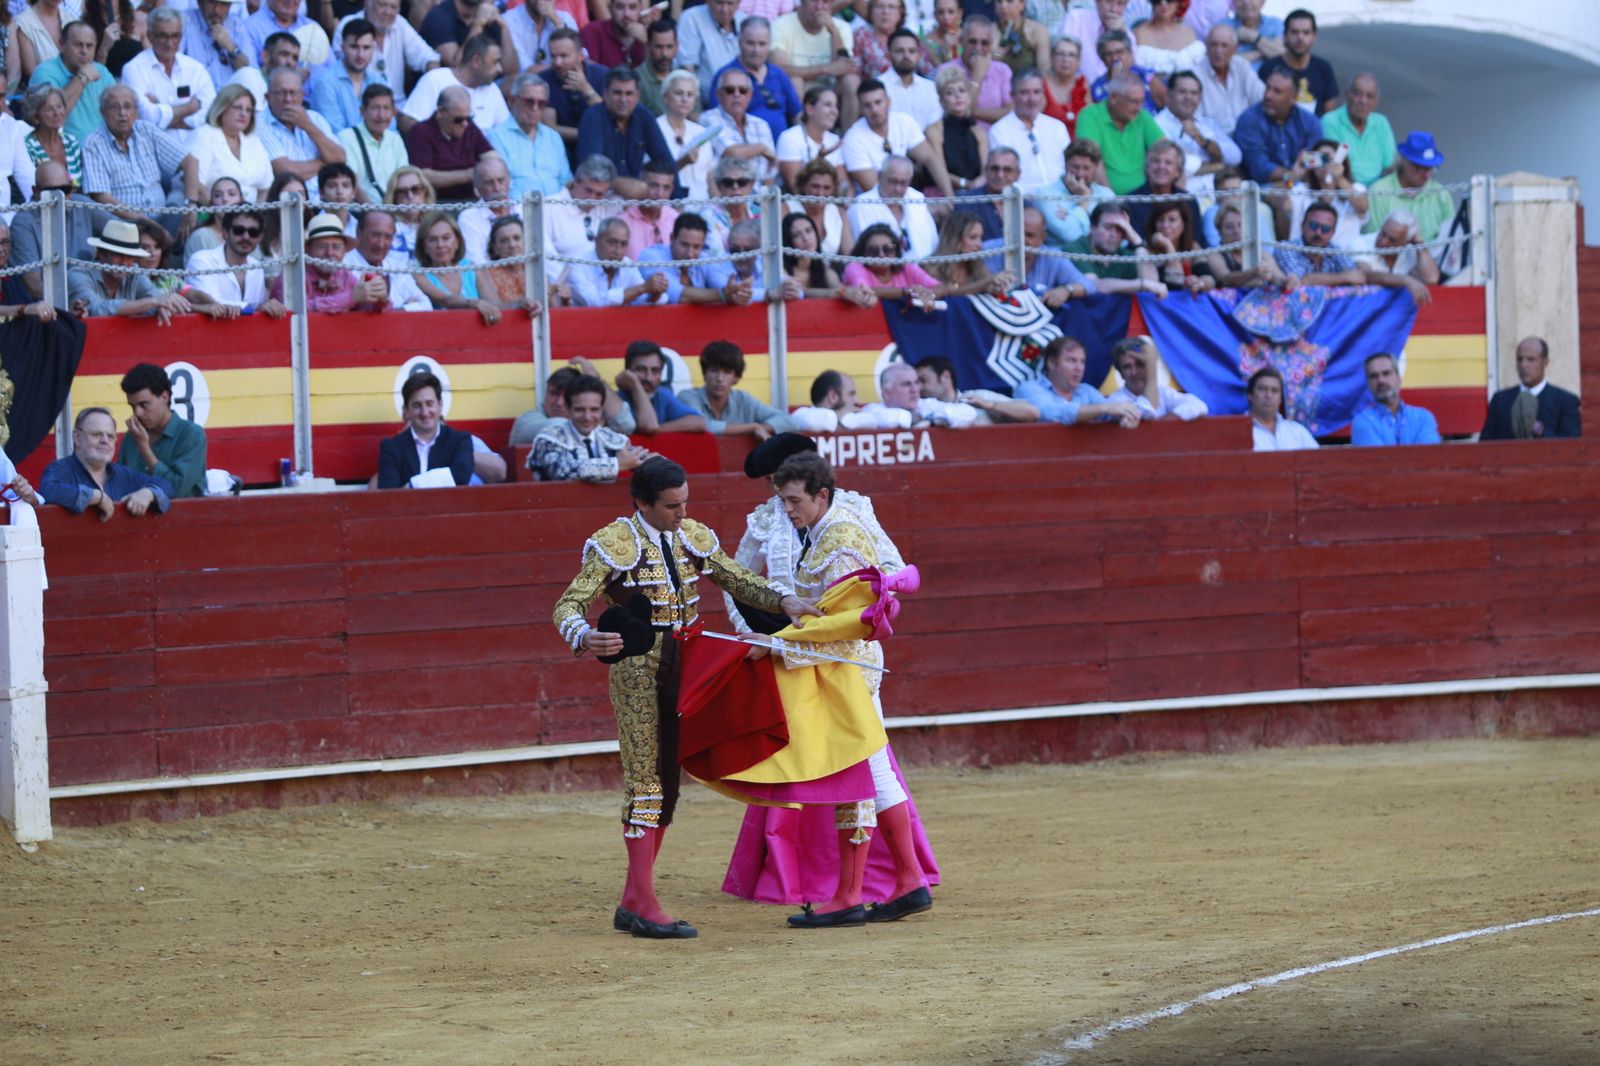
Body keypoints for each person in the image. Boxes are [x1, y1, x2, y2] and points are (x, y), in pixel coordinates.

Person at [550, 456, 813, 939]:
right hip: (637, 670)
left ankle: (635, 899)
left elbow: (736, 577)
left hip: (685, 664)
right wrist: (584, 637)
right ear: (643, 504)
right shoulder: (614, 544)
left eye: (686, 501)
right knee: (646, 782)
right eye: (672, 505)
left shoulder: (691, 533)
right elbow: (568, 603)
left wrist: (782, 601)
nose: (682, 512)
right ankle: (645, 903)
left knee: (667, 781)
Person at [723, 447, 935, 927]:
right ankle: (904, 881)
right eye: (783, 500)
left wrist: (779, 643)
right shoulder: (823, 529)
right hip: (842, 667)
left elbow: (848, 622)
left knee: (860, 773)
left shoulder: (838, 539)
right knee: (873, 771)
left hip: (847, 669)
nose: (788, 510)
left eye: (795, 500)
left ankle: (854, 893)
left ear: (822, 494)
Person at [81, 85, 201, 218]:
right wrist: (147, 224)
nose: (122, 113)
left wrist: (191, 203)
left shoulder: (147, 130)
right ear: (103, 112)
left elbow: (189, 161)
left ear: (136, 112)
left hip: (161, 215)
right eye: (115, 107)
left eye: (127, 106)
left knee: (185, 216)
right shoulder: (93, 144)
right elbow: (102, 198)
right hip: (123, 223)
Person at [39, 407, 173, 518]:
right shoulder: (59, 469)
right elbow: (47, 492)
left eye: (110, 436)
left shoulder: (124, 474)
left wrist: (149, 493)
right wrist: (96, 496)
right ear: (77, 437)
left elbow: (168, 486)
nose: (105, 440)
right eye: (97, 434)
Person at [12, 159, 109, 299]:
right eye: (51, 191)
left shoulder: (82, 204)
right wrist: (68, 306)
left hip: (90, 296)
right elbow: (33, 284)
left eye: (65, 190)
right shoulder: (23, 223)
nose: (60, 197)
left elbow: (121, 229)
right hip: (47, 308)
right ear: (35, 191)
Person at [119, 6, 216, 146]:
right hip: (155, 151)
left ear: (181, 37)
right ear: (150, 36)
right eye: (163, 36)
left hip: (198, 148)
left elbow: (211, 115)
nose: (170, 43)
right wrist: (189, 108)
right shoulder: (133, 69)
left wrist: (161, 110)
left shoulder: (195, 68)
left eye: (175, 36)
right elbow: (145, 119)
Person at [69, 218, 197, 322]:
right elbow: (96, 310)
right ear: (101, 254)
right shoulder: (78, 274)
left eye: (130, 256)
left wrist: (161, 306)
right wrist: (154, 302)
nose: (125, 263)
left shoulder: (134, 271)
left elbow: (155, 297)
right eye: (119, 255)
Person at [841, 77, 951, 196]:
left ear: (888, 102)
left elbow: (930, 159)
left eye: (878, 102)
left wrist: (950, 199)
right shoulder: (852, 138)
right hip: (871, 203)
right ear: (861, 109)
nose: (874, 110)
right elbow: (874, 189)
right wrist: (918, 205)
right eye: (867, 105)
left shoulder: (904, 121)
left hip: (904, 193)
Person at [530, 373, 649, 481]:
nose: (587, 417)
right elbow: (563, 471)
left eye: (594, 410)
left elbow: (635, 457)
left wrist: (653, 462)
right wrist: (616, 465)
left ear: (602, 410)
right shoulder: (548, 439)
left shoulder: (608, 438)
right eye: (579, 410)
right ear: (568, 409)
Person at [268, 211, 392, 313]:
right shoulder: (290, 278)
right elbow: (296, 311)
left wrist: (380, 301)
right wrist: (351, 298)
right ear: (308, 249)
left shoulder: (346, 276)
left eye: (336, 247)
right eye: (322, 246)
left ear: (344, 250)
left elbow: (366, 314)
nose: (330, 253)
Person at [115, 362, 207, 497]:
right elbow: (119, 484)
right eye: (133, 406)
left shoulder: (192, 435)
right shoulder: (131, 436)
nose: (137, 413)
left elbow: (176, 489)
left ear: (165, 397)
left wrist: (144, 449)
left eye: (144, 404)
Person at [577, 66, 675, 188]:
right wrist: (630, 187)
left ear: (637, 96)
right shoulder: (593, 117)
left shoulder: (644, 115)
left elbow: (666, 161)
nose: (623, 100)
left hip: (636, 196)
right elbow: (592, 170)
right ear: (606, 94)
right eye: (617, 93)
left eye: (629, 94)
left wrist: (677, 202)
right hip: (600, 196)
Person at [333, 0, 439, 114]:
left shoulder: (399, 23)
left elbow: (430, 58)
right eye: (382, 5)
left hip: (399, 109)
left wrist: (431, 84)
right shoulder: (349, 25)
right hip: (361, 108)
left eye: (393, 7)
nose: (388, 12)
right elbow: (339, 73)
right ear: (368, 4)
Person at [376, 369, 475, 487]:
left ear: (440, 405)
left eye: (429, 404)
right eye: (417, 405)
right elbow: (388, 493)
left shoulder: (459, 440)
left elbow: (461, 475)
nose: (425, 412)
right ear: (407, 410)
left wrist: (412, 486)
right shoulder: (391, 447)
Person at [679, 340, 796, 439]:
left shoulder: (743, 399)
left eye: (727, 372)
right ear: (704, 374)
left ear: (736, 378)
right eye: (714, 370)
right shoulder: (688, 397)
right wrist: (752, 428)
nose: (720, 378)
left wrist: (761, 428)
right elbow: (701, 424)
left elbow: (789, 421)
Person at [1015, 335, 1141, 427]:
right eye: (1071, 360)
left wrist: (1126, 415)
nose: (1079, 368)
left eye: (1082, 362)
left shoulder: (1086, 391)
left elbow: (1111, 411)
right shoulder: (1029, 389)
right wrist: (1103, 408)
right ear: (1052, 363)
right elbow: (1051, 413)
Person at [186, 207, 291, 315]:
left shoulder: (257, 267)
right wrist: (255, 307)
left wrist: (265, 307)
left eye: (253, 232)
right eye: (239, 230)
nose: (246, 237)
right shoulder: (201, 260)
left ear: (260, 238)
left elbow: (254, 310)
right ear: (225, 233)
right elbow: (209, 302)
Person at [1072, 73, 1164, 195]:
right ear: (1114, 97)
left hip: (1143, 198)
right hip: (1104, 200)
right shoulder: (1090, 116)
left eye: (1141, 101)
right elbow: (1091, 162)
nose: (1138, 108)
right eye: (1133, 101)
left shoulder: (1142, 116)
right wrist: (1111, 201)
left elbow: (1166, 150)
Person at [257, 67, 347, 192]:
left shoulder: (315, 118)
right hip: (289, 203)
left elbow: (340, 158)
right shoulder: (259, 122)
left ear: (302, 96)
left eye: (293, 92)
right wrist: (327, 163)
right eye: (281, 93)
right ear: (268, 97)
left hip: (325, 202)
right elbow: (286, 172)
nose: (288, 99)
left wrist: (308, 126)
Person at [771, 0, 859, 126]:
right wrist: (825, 69)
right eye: (813, 1)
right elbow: (777, 69)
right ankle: (803, 136)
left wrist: (833, 31)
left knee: (852, 80)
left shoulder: (841, 27)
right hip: (797, 89)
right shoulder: (781, 24)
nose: (819, 7)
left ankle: (848, 139)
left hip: (831, 90)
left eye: (825, 2)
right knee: (796, 81)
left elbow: (844, 66)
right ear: (802, 2)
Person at [400, 34, 508, 134]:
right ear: (476, 61)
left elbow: (505, 132)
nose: (500, 69)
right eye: (495, 62)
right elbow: (407, 122)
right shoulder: (435, 79)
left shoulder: (492, 89)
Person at [402, 84, 492, 201]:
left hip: (472, 201)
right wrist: (470, 174)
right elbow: (422, 176)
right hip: (438, 203)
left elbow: (491, 156)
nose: (465, 124)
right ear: (441, 112)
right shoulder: (420, 133)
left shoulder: (469, 127)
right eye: (458, 119)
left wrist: (489, 167)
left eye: (469, 118)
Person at [985, 68, 1069, 194]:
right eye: (1024, 93)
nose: (1032, 99)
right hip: (1022, 200)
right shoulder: (999, 131)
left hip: (1060, 197)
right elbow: (1003, 175)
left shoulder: (1057, 127)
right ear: (1012, 96)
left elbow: (1068, 167)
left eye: (1036, 92)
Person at [1480, 337, 1581, 441]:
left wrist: (1540, 430)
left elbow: (1571, 445)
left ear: (1545, 362)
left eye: (1531, 359)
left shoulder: (1566, 401)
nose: (1523, 365)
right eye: (1520, 359)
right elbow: (1485, 444)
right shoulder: (1500, 400)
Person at [1233, 68, 1322, 187]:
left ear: (1293, 98)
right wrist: (1290, 175)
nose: (1268, 95)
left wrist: (1299, 173)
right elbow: (1259, 168)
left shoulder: (1310, 122)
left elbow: (1316, 160)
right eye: (1267, 88)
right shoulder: (1249, 120)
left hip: (1304, 184)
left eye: (1277, 91)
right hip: (1262, 188)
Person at [1362, 131, 1454, 244]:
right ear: (1403, 162)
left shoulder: (1441, 193)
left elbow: (1451, 236)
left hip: (1433, 257)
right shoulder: (1380, 191)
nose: (1426, 175)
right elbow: (1373, 238)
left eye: (1430, 169)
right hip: (1389, 258)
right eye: (1419, 168)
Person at [489, 72, 569, 199]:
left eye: (541, 103)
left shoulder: (553, 137)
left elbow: (565, 181)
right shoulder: (496, 137)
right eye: (529, 101)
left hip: (557, 210)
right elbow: (505, 186)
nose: (535, 108)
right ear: (512, 101)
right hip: (520, 211)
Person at [189, 82, 273, 202]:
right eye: (237, 107)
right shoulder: (204, 135)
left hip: (250, 216)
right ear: (222, 108)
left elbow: (266, 188)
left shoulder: (253, 140)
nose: (243, 114)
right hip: (211, 213)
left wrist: (257, 215)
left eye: (248, 110)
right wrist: (223, 214)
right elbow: (195, 184)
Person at [31, 21, 113, 143]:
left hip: (103, 149)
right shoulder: (44, 72)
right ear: (62, 45)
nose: (84, 51)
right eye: (78, 45)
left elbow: (118, 109)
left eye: (89, 46)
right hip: (65, 151)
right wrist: (82, 78)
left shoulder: (101, 71)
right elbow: (52, 114)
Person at [1155, 69, 1239, 187]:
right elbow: (1177, 165)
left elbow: (1235, 156)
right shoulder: (1157, 124)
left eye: (1194, 93)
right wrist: (1217, 166)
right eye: (1182, 92)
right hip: (1184, 196)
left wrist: (1203, 141)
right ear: (1169, 94)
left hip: (1216, 194)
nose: (1188, 97)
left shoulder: (1206, 123)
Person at [717, 16, 799, 135]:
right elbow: (716, 119)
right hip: (745, 147)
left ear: (769, 45)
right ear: (739, 42)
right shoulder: (726, 76)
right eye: (751, 43)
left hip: (781, 148)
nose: (756, 50)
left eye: (762, 44)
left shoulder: (779, 74)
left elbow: (797, 113)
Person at [414, 211, 501, 321]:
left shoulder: (472, 268)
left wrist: (519, 304)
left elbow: (496, 306)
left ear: (457, 241)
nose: (440, 245)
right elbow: (445, 300)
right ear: (424, 247)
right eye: (432, 240)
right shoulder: (419, 275)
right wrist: (475, 303)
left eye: (446, 238)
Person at [848, 154, 938, 260]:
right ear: (879, 177)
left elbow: (933, 241)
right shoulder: (861, 206)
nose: (898, 189)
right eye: (893, 182)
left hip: (922, 268)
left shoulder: (917, 198)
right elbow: (864, 252)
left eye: (903, 183)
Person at [340, 208, 432, 311]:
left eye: (387, 237)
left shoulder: (396, 267)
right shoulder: (341, 265)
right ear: (358, 233)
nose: (381, 244)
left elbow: (426, 305)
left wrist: (393, 313)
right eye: (375, 235)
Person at [1064, 201, 1164, 296]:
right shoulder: (1075, 249)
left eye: (1120, 229)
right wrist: (1142, 284)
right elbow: (1093, 285)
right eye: (1107, 227)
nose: (1113, 234)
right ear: (1092, 227)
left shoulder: (1124, 255)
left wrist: (1137, 241)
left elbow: (1152, 284)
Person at [637, 212, 738, 305]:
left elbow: (723, 285)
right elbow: (678, 296)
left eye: (697, 247)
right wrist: (722, 294)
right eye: (685, 245)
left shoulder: (704, 258)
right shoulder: (652, 256)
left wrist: (738, 292)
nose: (690, 254)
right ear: (672, 238)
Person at [700, 66, 777, 187]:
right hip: (724, 199)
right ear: (718, 95)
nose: (736, 94)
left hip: (759, 199)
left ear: (750, 95)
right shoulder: (708, 119)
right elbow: (732, 153)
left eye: (743, 90)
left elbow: (770, 173)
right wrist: (761, 148)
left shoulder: (761, 125)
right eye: (730, 90)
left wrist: (766, 203)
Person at [310, 17, 387, 136]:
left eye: (366, 48)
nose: (360, 55)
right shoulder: (325, 83)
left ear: (373, 48)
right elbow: (336, 134)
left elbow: (389, 129)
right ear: (342, 47)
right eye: (354, 47)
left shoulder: (380, 82)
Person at [782, 211, 876, 306]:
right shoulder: (781, 268)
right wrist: (842, 293)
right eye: (796, 235)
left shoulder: (825, 269)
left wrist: (863, 295)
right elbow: (801, 292)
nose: (805, 238)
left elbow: (840, 288)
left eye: (808, 230)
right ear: (788, 241)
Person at [615, 340, 708, 434]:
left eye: (655, 371)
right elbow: (649, 426)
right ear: (627, 372)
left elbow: (699, 422)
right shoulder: (617, 400)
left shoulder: (662, 395)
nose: (649, 378)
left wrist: (656, 431)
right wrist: (635, 386)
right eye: (641, 370)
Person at [1256, 8, 1337, 116]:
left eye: (1306, 32)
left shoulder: (1324, 69)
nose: (1300, 37)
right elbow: (1261, 109)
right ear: (1284, 36)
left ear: (1314, 37)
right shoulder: (1268, 69)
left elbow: (1329, 116)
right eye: (1294, 32)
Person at [540, 27, 606, 156]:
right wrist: (588, 135)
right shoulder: (544, 80)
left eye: (564, 56)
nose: (557, 63)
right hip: (560, 149)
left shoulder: (602, 75)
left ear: (580, 56)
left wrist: (586, 89)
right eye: (553, 56)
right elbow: (550, 128)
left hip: (602, 146)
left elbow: (610, 119)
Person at [915, 354, 1039, 423]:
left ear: (945, 377)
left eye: (923, 380)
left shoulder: (979, 397)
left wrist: (990, 406)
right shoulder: (918, 408)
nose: (918, 387)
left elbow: (1032, 413)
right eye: (916, 382)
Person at [338, 84, 409, 205]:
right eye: (375, 108)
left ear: (393, 112)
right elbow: (351, 183)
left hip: (393, 210)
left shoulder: (395, 139)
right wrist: (372, 211)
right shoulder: (346, 137)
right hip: (361, 211)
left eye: (386, 108)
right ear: (362, 111)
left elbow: (403, 179)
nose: (381, 115)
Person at [1107, 336, 1208, 421]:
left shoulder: (1163, 392)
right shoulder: (1115, 400)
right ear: (1121, 373)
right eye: (1127, 367)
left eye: (1140, 364)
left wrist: (1162, 424)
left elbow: (1199, 405)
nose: (1134, 372)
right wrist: (1151, 366)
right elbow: (1147, 412)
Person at [1319, 73, 1394, 187]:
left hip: (1377, 192)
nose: (1363, 101)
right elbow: (1334, 167)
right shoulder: (1330, 121)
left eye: (1370, 96)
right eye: (1358, 94)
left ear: (1376, 101)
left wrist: (1377, 192)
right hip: (1343, 191)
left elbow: (1389, 166)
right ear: (1346, 95)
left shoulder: (1381, 123)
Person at [1351, 352, 1440, 447]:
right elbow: (1378, 460)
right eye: (1373, 376)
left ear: (1398, 378)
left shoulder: (1423, 418)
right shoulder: (1362, 421)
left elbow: (1429, 457)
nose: (1381, 380)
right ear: (1368, 384)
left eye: (1386, 373)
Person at [935, 14, 1009, 127]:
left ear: (991, 44)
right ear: (961, 41)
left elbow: (1011, 113)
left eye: (984, 43)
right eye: (973, 42)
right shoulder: (946, 71)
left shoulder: (1002, 70)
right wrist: (977, 76)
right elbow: (958, 115)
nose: (978, 48)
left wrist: (974, 111)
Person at [856, 360, 978, 428]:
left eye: (916, 382)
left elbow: (969, 413)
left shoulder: (926, 405)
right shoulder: (873, 410)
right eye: (906, 384)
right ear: (886, 393)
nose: (915, 389)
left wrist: (931, 421)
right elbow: (887, 419)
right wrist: (915, 419)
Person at [1036, 140, 1111, 249]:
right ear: (1065, 165)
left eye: (1086, 168)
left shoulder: (1106, 194)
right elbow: (1071, 235)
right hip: (1061, 258)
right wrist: (1085, 198)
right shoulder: (1045, 193)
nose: (1080, 174)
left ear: (1096, 168)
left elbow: (1119, 240)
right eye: (1075, 167)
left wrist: (1070, 215)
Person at [922, 66, 986, 192]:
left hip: (976, 190)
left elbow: (986, 170)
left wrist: (977, 184)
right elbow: (938, 170)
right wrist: (964, 184)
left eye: (962, 91)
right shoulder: (934, 130)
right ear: (941, 101)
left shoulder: (978, 131)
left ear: (969, 98)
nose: (957, 96)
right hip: (941, 192)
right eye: (950, 93)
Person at [1272, 201, 1365, 288]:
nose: (1318, 232)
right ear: (1302, 226)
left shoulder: (1334, 249)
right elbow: (1301, 281)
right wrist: (1343, 277)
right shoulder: (1285, 248)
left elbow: (1356, 276)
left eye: (1325, 228)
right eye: (1313, 225)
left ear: (1333, 233)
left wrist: (1348, 276)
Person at [1351, 208, 1440, 298]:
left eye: (1392, 240)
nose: (1383, 242)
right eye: (1383, 233)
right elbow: (1366, 275)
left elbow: (1431, 279)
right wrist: (1405, 280)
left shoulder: (1410, 250)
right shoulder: (1361, 243)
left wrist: (1419, 244)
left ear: (1407, 242)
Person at [1193, 21, 1261, 134]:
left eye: (1224, 45)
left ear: (1234, 49)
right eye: (1214, 44)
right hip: (1215, 141)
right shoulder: (1196, 74)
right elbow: (1197, 121)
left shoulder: (1241, 66)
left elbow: (1260, 98)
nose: (1218, 51)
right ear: (1206, 46)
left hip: (1248, 135)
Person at [655, 69, 713, 202]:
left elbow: (709, 177)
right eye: (678, 93)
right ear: (665, 97)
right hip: (670, 209)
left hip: (704, 209)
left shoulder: (700, 132)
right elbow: (651, 177)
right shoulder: (655, 129)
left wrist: (721, 210)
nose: (684, 99)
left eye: (690, 94)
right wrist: (682, 162)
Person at [775, 82, 842, 190]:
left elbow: (843, 183)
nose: (834, 111)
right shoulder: (790, 138)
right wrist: (818, 160)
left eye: (836, 106)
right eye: (828, 105)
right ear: (810, 109)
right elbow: (795, 187)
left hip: (830, 203)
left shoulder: (835, 140)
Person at [675, 0, 741, 104]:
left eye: (730, 3)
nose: (725, 9)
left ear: (738, 3)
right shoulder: (691, 18)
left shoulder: (745, 21)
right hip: (705, 103)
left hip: (743, 99)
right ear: (708, 1)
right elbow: (687, 69)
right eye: (719, 3)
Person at [783, 158, 851, 258]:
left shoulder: (840, 213)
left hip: (828, 271)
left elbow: (850, 254)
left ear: (834, 189)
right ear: (803, 185)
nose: (820, 193)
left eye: (826, 188)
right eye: (815, 186)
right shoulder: (785, 209)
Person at [457, 155, 519, 263]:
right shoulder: (469, 218)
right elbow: (475, 263)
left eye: (501, 180)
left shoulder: (524, 208)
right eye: (489, 183)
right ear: (477, 188)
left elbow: (545, 253)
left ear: (509, 181)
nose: (497, 188)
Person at [21, 85, 82, 191]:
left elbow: (79, 185)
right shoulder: (28, 147)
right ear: (36, 117)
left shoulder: (71, 142)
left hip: (74, 203)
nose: (57, 113)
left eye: (59, 106)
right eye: (49, 109)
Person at [1246, 365, 1317, 451]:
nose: (1269, 395)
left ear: (1280, 399)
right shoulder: (1239, 433)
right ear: (1250, 395)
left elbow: (1320, 462)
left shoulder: (1297, 431)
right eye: (1262, 389)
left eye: (1274, 390)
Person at [954, 147, 1020, 240]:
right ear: (986, 170)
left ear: (1018, 174)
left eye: (1007, 170)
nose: (1000, 175)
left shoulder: (1025, 205)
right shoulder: (966, 201)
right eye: (994, 168)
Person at [418, 0, 507, 68]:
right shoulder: (438, 16)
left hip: (484, 83)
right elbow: (457, 64)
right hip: (448, 87)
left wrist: (503, 27)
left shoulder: (487, 12)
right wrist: (479, 23)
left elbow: (510, 69)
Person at [881, 27, 939, 131]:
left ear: (918, 55)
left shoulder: (930, 88)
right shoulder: (879, 87)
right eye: (899, 51)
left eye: (912, 51)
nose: (906, 55)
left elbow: (935, 128)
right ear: (888, 55)